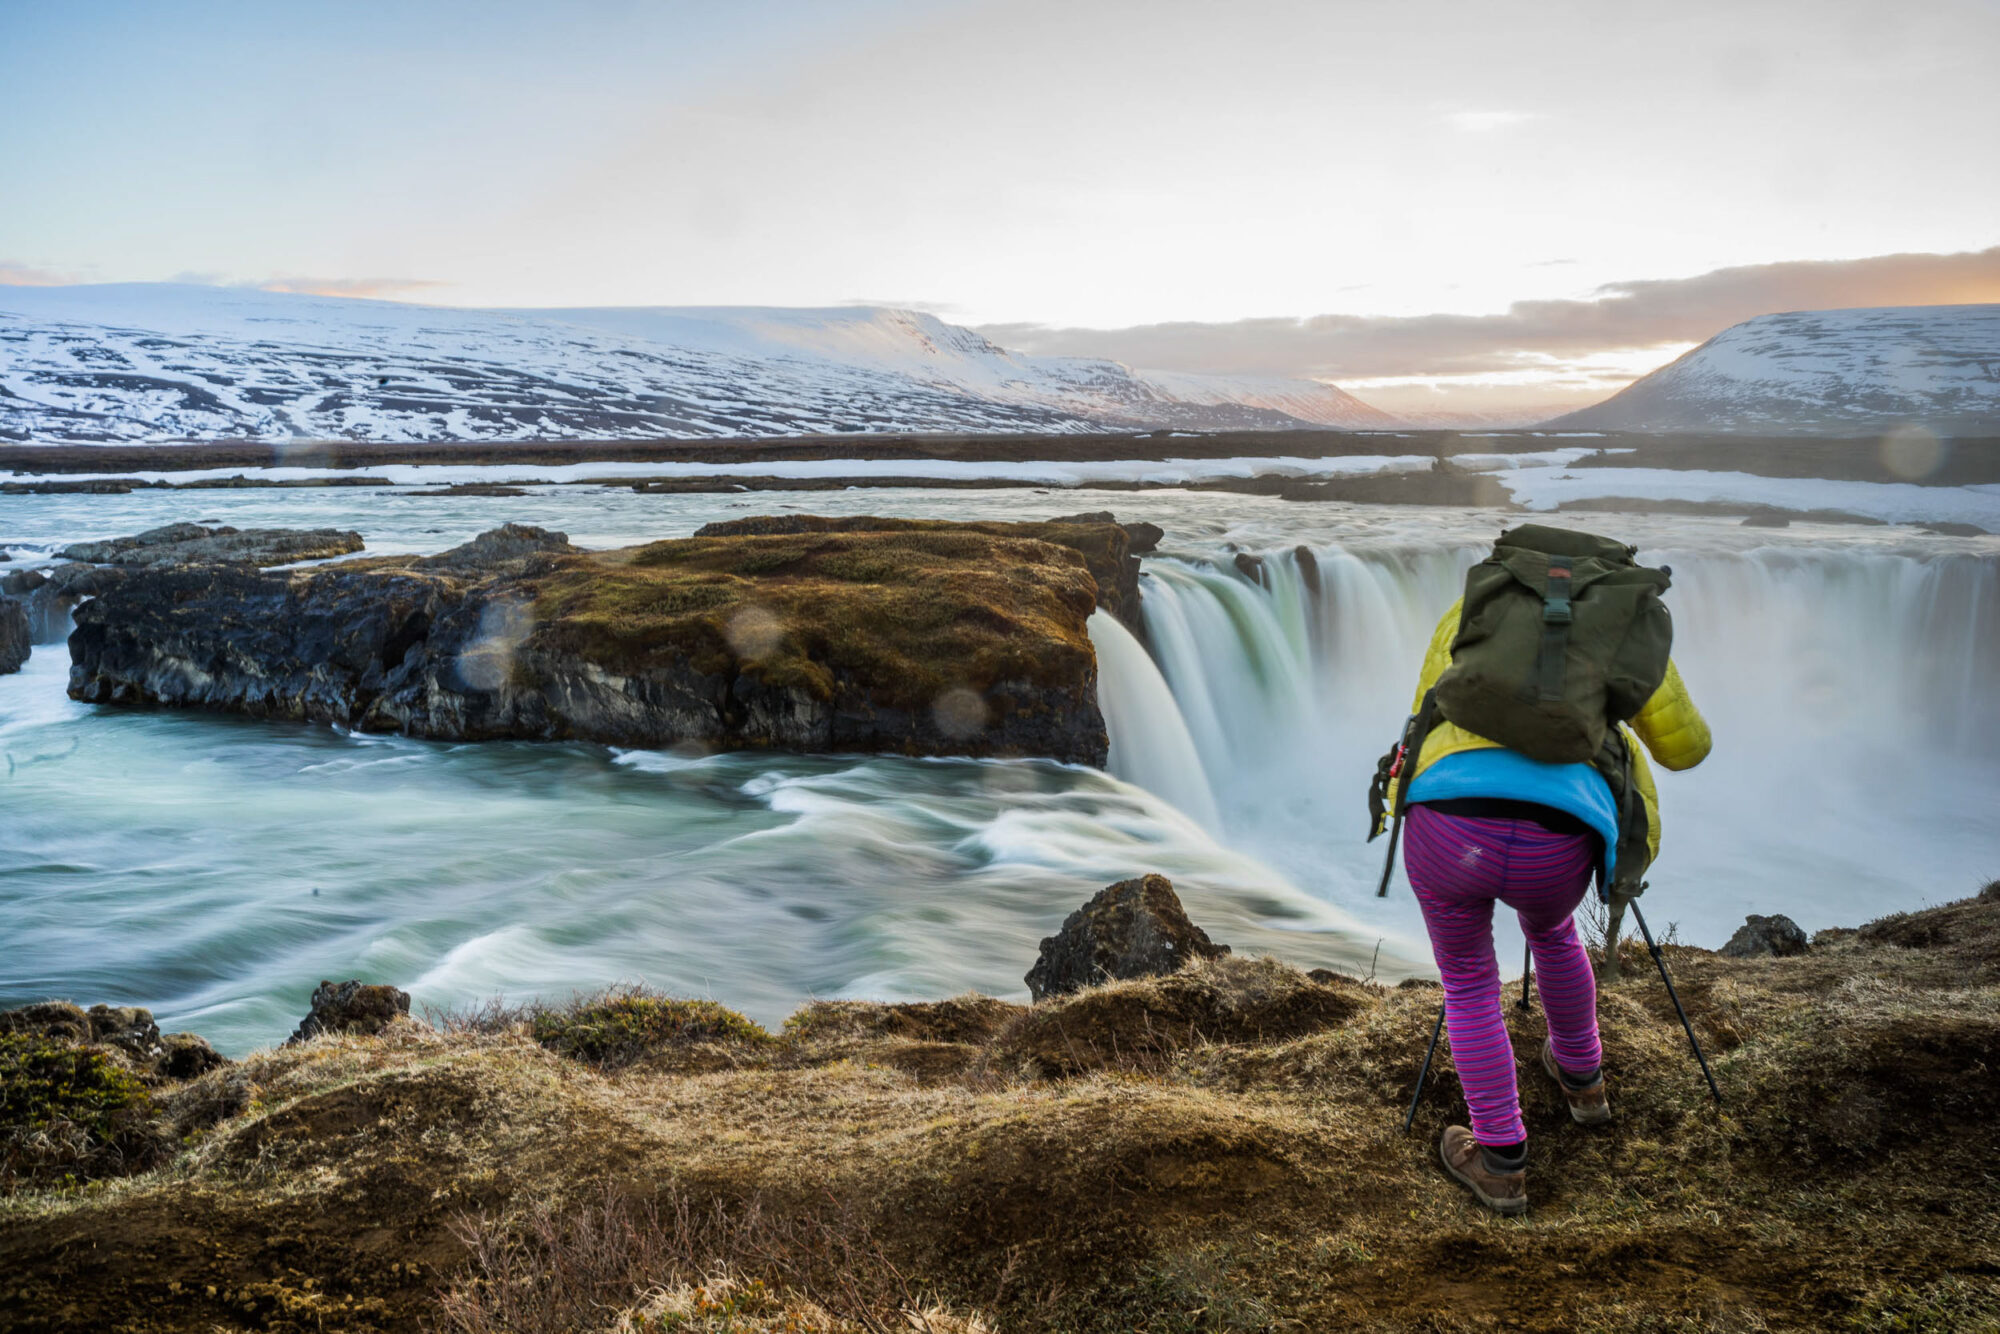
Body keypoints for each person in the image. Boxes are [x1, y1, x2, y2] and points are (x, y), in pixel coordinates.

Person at [1392, 589, 1711, 1215]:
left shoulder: (1473, 606)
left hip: (1451, 825)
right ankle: (1583, 1082)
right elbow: (1686, 747)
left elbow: (1426, 708)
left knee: (1467, 980)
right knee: (1553, 931)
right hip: (1560, 834)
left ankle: (1501, 1161)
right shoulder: (1626, 622)